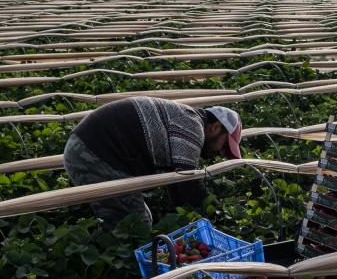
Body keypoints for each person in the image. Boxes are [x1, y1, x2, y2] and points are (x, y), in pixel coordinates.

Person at [64, 98, 243, 229]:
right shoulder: (192, 127)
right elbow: (187, 182)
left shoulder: (187, 118)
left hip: (89, 149)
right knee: (135, 225)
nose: (220, 153)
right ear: (216, 127)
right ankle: (111, 265)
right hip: (92, 154)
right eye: (224, 146)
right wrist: (218, 215)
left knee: (139, 218)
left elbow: (176, 184)